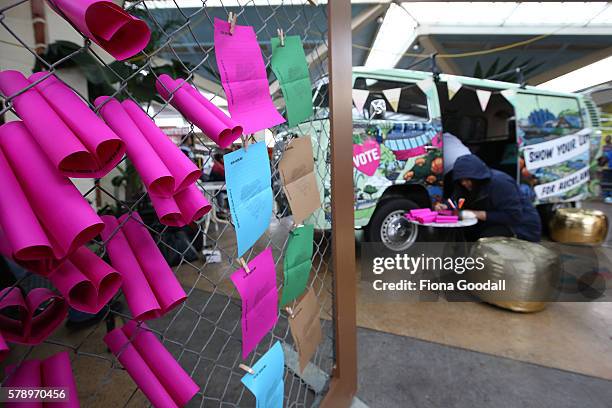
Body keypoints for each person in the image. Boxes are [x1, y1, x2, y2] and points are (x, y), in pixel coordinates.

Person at [437, 154, 541, 242]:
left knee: (486, 240)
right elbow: (455, 201)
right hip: (490, 222)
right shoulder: (464, 187)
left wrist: (476, 214)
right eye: (461, 180)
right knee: (461, 233)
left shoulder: (500, 183)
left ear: (477, 177)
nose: (464, 183)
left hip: (520, 227)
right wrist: (445, 206)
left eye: (468, 180)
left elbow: (513, 216)